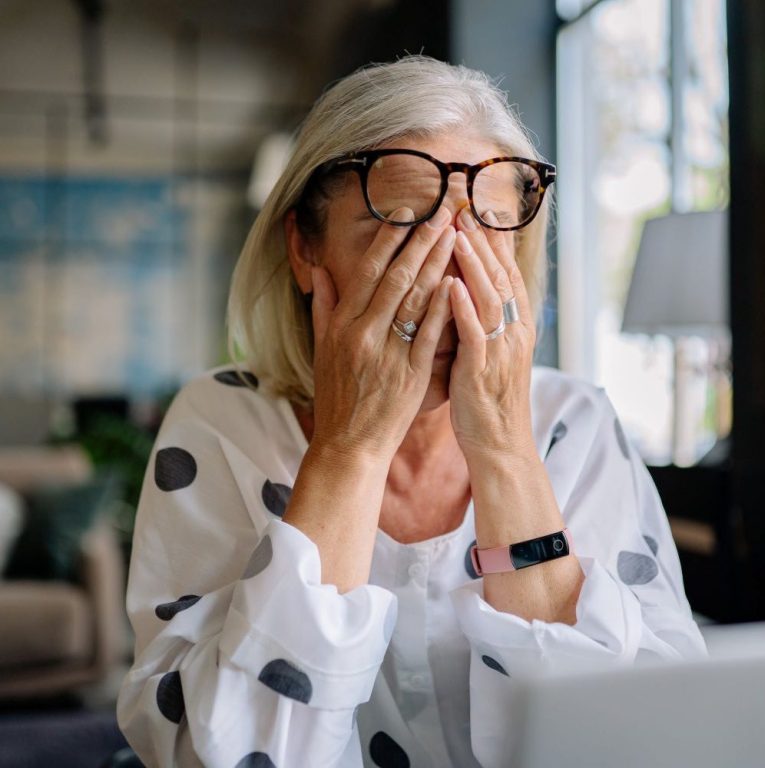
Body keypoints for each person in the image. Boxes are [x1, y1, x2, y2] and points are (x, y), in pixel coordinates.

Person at [117, 56, 706, 768]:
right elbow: (215, 754)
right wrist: (351, 448)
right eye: (402, 229)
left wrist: (506, 450)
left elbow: (642, 741)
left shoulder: (574, 425)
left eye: (488, 228)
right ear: (305, 249)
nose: (445, 282)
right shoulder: (223, 425)